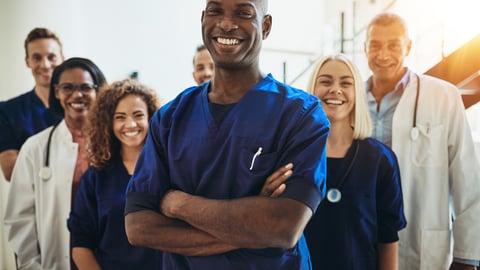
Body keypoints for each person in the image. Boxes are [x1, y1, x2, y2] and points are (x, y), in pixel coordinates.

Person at [124, 0, 330, 269]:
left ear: (265, 26)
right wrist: (253, 226)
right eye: (215, 11)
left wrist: (178, 204)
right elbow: (139, 226)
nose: (227, 23)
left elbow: (283, 227)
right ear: (202, 20)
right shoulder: (171, 118)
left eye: (243, 13)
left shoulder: (301, 115)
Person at [364, 12, 480, 270]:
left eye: (393, 45)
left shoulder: (443, 97)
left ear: (408, 47)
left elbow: (467, 180)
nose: (383, 55)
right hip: (363, 237)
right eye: (375, 45)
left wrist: (466, 256)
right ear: (365, 49)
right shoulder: (352, 102)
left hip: (421, 242)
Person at [301, 54, 406, 270]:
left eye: (346, 83)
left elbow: (387, 239)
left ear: (357, 93)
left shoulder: (380, 160)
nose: (335, 89)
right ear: (313, 88)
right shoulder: (295, 154)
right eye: (326, 81)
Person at [4, 57, 107, 270]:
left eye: (86, 87)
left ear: (98, 91)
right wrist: (31, 265)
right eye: (67, 87)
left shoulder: (114, 144)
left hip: (108, 258)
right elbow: (20, 218)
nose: (77, 95)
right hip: (55, 261)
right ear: (56, 92)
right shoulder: (35, 148)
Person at [67, 79, 163, 270]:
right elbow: (81, 245)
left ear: (151, 119)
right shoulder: (95, 178)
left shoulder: (169, 171)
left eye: (138, 115)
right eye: (120, 117)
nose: (130, 124)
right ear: (108, 123)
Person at [0, 27, 64, 181]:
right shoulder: (8, 111)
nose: (45, 65)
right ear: (27, 61)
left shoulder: (77, 107)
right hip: (33, 201)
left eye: (51, 57)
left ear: (62, 59)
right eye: (37, 57)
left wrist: (28, 157)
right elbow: (11, 171)